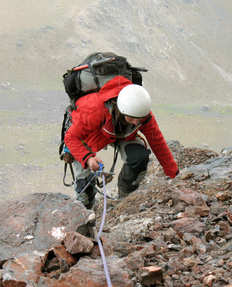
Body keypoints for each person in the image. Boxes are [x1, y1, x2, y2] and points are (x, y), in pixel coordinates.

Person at [64, 75, 179, 209]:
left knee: (139, 158)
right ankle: (85, 213)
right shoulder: (95, 109)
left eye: (139, 119)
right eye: (132, 119)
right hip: (88, 136)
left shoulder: (142, 113)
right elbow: (71, 137)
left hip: (120, 135)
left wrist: (174, 175)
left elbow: (157, 142)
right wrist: (88, 159)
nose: (137, 123)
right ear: (121, 109)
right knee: (84, 183)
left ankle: (125, 201)